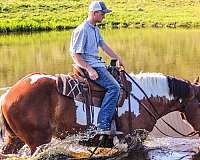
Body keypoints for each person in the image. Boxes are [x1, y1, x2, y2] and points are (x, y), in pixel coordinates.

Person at [70, 1, 125, 134]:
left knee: (119, 79)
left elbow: (104, 46)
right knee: (114, 88)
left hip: (97, 63)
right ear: (94, 13)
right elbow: (75, 54)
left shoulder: (95, 29)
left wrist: (118, 59)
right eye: (102, 13)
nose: (104, 16)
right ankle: (103, 125)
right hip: (90, 65)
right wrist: (89, 69)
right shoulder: (82, 30)